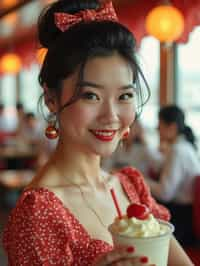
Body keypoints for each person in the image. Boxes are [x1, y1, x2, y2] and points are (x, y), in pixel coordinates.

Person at [3, 1, 193, 265]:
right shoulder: (39, 214)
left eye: (125, 95)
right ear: (51, 99)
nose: (111, 116)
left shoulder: (130, 186)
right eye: (90, 95)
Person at [145, 105, 200, 245]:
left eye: (160, 125)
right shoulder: (185, 147)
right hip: (185, 214)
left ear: (172, 127)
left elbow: (165, 193)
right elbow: (160, 165)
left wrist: (141, 178)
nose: (157, 129)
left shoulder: (178, 151)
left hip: (181, 220)